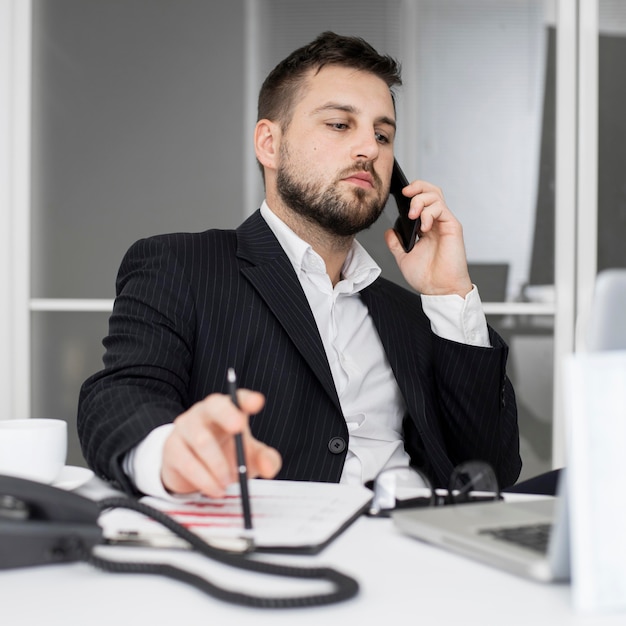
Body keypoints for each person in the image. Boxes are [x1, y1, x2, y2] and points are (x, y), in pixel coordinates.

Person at [77, 31, 521, 499]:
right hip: (278, 547)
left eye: (383, 134)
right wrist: (166, 453)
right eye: (339, 125)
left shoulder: (415, 315)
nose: (369, 149)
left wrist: (449, 294)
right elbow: (122, 393)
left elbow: (490, 469)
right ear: (269, 143)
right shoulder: (180, 267)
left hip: (416, 542)